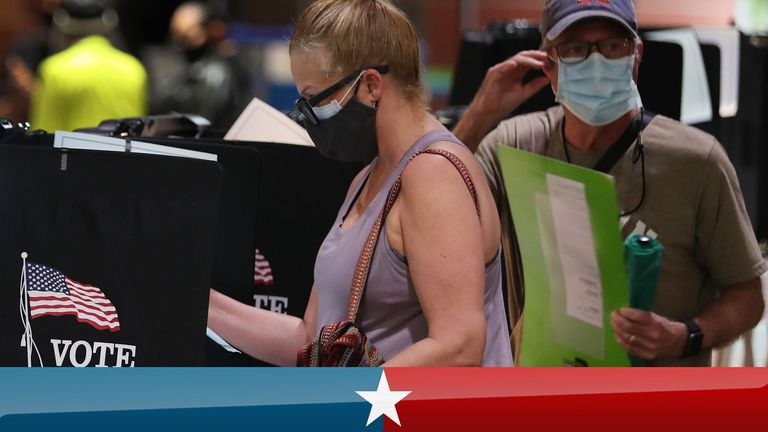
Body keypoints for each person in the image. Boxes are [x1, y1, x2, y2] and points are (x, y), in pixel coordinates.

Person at [452, 0, 766, 366]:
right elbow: (434, 209)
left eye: (613, 46)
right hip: (544, 394)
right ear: (549, 65)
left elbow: (747, 296)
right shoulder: (515, 144)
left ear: (636, 56)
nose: (596, 61)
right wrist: (479, 115)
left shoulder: (698, 161)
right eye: (575, 49)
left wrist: (686, 336)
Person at [207, 0, 513, 367]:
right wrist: (194, 297)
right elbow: (310, 340)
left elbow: (459, 344)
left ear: (370, 85)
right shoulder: (368, 178)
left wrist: (350, 401)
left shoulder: (434, 175)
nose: (308, 117)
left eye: (314, 100)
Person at [30, 0, 147, 132]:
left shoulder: (53, 70)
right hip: (124, 153)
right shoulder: (133, 68)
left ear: (61, 24)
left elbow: (42, 135)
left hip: (73, 153)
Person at [148, 1, 246, 130]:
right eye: (174, 35)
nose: (178, 44)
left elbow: (206, 123)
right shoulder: (184, 68)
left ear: (212, 30)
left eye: (186, 36)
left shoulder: (217, 74)